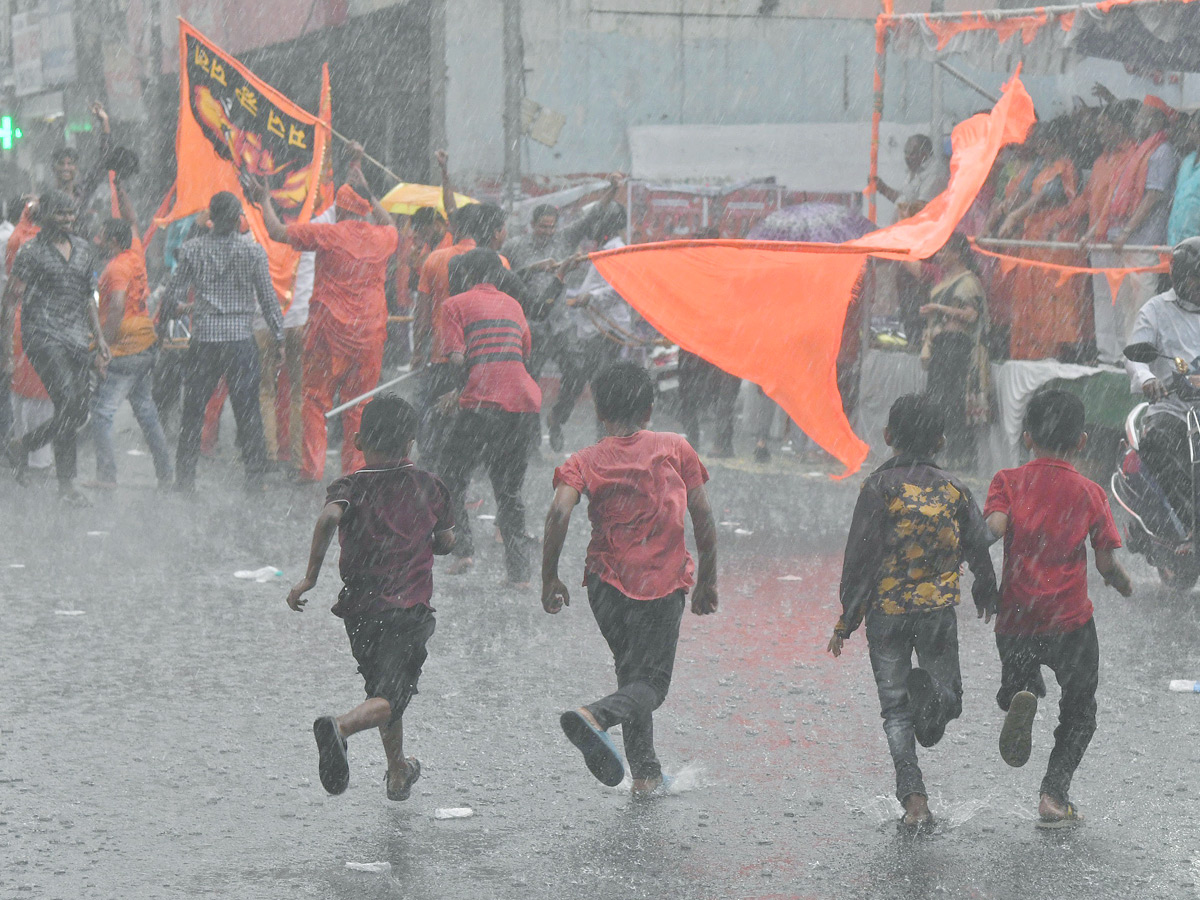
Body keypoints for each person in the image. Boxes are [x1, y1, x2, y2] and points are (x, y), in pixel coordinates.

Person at [542, 362, 719, 797]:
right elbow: (703, 515)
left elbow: (559, 511)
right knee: (652, 684)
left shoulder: (583, 461)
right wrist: (708, 579)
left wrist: (550, 577)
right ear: (649, 409)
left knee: (632, 674)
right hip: (660, 585)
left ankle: (646, 775)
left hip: (607, 585)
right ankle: (596, 716)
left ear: (600, 412)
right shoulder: (675, 447)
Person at [827, 393, 998, 831]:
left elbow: (860, 558)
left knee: (895, 711)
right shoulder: (954, 488)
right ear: (941, 440)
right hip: (936, 612)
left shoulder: (879, 488)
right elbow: (978, 540)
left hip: (886, 615)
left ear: (887, 437)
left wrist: (848, 619)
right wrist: (985, 583)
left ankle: (915, 801)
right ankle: (937, 701)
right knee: (952, 698)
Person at [285, 394, 455, 801]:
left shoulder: (350, 486)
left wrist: (310, 576)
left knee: (382, 691)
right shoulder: (430, 486)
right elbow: (446, 541)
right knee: (392, 697)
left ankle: (397, 770)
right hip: (407, 608)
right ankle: (340, 727)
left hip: (360, 611)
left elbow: (328, 517)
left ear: (358, 441)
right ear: (411, 443)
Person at [984, 390, 1132, 827]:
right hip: (1070, 622)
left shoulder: (1007, 481)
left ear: (1027, 436)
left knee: (1022, 677)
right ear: (1082, 441)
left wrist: (968, 547)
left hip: (1016, 617)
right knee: (1081, 709)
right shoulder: (1089, 492)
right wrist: (1122, 584)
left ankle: (1018, 692)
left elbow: (993, 527)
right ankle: (1053, 795)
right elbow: (1106, 561)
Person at [250, 159, 398, 483]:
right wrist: (370, 195)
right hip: (370, 335)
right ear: (365, 211)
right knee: (359, 405)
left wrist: (263, 200)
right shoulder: (382, 237)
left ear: (340, 210)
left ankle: (312, 469)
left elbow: (276, 232)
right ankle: (355, 471)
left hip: (328, 335)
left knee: (315, 399)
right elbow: (393, 225)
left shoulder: (326, 234)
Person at [161, 191, 283, 493]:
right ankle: (254, 478)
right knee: (247, 410)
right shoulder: (253, 253)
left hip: (204, 342)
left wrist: (170, 318)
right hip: (241, 341)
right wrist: (279, 337)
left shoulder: (191, 251)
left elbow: (174, 293)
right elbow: (268, 300)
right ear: (238, 218)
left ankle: (185, 478)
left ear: (211, 218)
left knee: (194, 409)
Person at [435, 249, 541, 581]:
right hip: (521, 403)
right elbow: (523, 352)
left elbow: (455, 357)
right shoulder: (513, 304)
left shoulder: (454, 304)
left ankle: (463, 551)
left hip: (481, 402)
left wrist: (456, 391)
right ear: (497, 276)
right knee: (508, 489)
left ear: (466, 275)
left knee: (451, 476)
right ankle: (519, 571)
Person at [0, 191, 109, 504]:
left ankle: (23, 446)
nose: (68, 219)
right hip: (42, 335)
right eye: (60, 213)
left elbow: (89, 296)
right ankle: (66, 486)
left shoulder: (85, 250)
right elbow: (10, 299)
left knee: (76, 410)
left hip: (76, 338)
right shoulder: (31, 251)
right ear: (44, 215)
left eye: (71, 213)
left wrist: (99, 338)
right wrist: (7, 347)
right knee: (66, 401)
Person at [89, 177, 173, 487]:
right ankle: (165, 473)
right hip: (145, 343)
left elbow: (116, 307)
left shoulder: (115, 269)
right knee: (146, 411)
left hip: (124, 349)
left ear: (112, 241)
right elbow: (133, 221)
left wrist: (103, 348)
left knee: (102, 413)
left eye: (102, 237)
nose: (97, 240)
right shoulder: (134, 252)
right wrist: (120, 187)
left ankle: (106, 476)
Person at [1084, 95, 1179, 363]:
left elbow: (1153, 196)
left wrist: (1127, 231)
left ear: (1155, 120)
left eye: (1142, 115)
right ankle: (1128, 360)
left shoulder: (1162, 152)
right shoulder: (1142, 150)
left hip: (1144, 241)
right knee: (1126, 304)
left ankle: (1142, 362)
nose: (1137, 120)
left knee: (1142, 306)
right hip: (1127, 241)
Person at [414, 202, 508, 464]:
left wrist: (417, 351)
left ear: (454, 227)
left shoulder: (435, 258)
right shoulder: (500, 262)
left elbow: (421, 315)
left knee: (433, 417)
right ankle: (467, 466)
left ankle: (432, 465)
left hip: (442, 355)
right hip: (483, 358)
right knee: (474, 421)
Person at [1125, 237, 1200, 534]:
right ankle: (1186, 516)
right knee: (1155, 442)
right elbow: (1134, 356)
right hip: (1169, 405)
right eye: (1195, 278)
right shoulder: (1155, 310)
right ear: (1179, 277)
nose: (1198, 285)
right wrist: (1149, 379)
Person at [545, 204, 633, 451]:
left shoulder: (617, 251)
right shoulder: (601, 251)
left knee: (603, 386)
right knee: (577, 380)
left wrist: (590, 298)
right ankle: (559, 418)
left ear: (606, 224)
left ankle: (604, 442)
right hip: (590, 330)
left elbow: (619, 290)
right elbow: (588, 291)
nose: (589, 228)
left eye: (594, 222)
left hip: (608, 330)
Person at [919, 234, 988, 469]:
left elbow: (971, 315)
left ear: (957, 254)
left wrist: (939, 308)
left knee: (952, 401)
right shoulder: (946, 280)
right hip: (942, 345)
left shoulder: (967, 282)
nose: (939, 256)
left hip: (956, 346)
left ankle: (957, 455)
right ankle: (942, 452)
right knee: (936, 399)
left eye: (944, 251)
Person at [677, 226, 742, 458]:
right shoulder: (691, 271)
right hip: (695, 343)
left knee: (722, 397)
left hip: (721, 343)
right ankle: (698, 440)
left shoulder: (726, 270)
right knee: (693, 398)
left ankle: (721, 443)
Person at [1167, 110, 1200, 247]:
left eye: (1194, 131)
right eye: (1191, 130)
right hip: (1175, 243)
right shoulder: (1187, 161)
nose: (1190, 135)